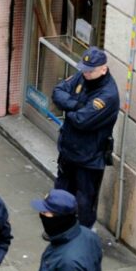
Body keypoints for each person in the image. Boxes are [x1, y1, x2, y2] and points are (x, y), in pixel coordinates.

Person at [50, 46, 119, 229]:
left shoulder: (107, 95)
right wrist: (77, 104)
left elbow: (82, 120)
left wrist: (69, 109)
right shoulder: (82, 76)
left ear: (103, 69)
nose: (86, 73)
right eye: (84, 69)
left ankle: (82, 236)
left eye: (91, 70)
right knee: (61, 192)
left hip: (89, 158)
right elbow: (57, 92)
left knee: (84, 202)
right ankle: (58, 228)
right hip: (69, 151)